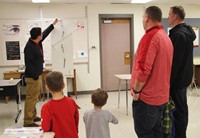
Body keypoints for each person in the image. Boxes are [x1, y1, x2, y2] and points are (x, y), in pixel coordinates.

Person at [130, 6, 173, 138]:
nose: (142, 20)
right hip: (161, 97)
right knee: (156, 132)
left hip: (147, 99)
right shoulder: (165, 37)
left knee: (145, 133)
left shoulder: (150, 37)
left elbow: (143, 69)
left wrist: (136, 91)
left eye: (143, 17)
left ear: (147, 18)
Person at [23, 19, 58, 127]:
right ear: (38, 36)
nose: (42, 35)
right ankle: (28, 121)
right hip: (32, 77)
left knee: (35, 97)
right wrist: (34, 76)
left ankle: (33, 116)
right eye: (40, 34)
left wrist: (52, 25)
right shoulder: (29, 47)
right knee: (31, 99)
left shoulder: (36, 42)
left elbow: (45, 34)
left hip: (36, 75)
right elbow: (28, 63)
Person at [168, 6, 196, 138]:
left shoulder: (179, 35)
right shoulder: (185, 33)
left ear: (175, 16)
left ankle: (180, 135)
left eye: (169, 14)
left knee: (179, 111)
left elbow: (175, 63)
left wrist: (168, 82)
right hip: (183, 79)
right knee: (181, 109)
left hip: (177, 81)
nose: (168, 17)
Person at [41, 71, 79, 138]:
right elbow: (76, 120)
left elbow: (45, 128)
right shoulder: (71, 102)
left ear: (47, 88)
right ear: (63, 85)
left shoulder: (47, 107)